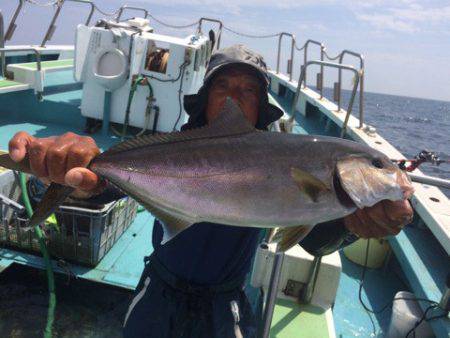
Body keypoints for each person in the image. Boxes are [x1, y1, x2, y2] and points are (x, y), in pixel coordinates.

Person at [8, 45, 413, 338]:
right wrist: (62, 174)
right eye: (224, 86)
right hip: (158, 288)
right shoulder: (168, 149)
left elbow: (319, 241)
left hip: (226, 303)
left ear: (260, 106)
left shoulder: (288, 159)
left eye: (249, 90)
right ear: (205, 100)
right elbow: (104, 188)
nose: (236, 96)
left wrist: (355, 226)